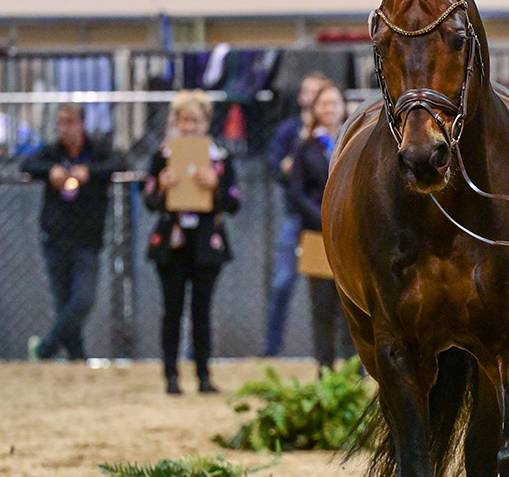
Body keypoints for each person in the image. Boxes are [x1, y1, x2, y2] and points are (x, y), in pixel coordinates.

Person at [142, 90, 241, 394]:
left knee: (202, 311)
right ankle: (170, 375)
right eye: (184, 120)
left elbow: (234, 202)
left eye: (195, 120)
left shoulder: (221, 157)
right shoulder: (162, 155)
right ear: (176, 122)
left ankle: (203, 375)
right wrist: (161, 185)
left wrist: (216, 187)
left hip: (206, 244)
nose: (190, 126)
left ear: (206, 123)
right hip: (171, 242)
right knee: (172, 310)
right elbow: (148, 199)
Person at [22, 103, 127, 361]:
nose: (64, 128)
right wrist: (51, 171)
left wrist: (88, 173)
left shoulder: (96, 151)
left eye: (70, 122)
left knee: (82, 299)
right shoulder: (52, 152)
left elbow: (121, 162)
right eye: (60, 123)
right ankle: (77, 358)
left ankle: (44, 349)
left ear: (81, 123)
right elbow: (26, 164)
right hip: (56, 236)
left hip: (87, 238)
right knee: (62, 301)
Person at [286, 84, 355, 373]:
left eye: (334, 103)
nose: (329, 109)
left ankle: (355, 369)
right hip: (317, 235)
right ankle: (325, 369)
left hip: (352, 236)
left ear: (343, 107)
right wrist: (325, 218)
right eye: (323, 104)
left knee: (353, 307)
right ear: (315, 109)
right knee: (322, 307)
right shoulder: (305, 148)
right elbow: (297, 193)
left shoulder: (355, 142)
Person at [263, 71, 331, 356]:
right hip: (298, 217)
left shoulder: (334, 135)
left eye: (319, 93)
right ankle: (272, 349)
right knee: (283, 283)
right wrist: (288, 168)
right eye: (308, 92)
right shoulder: (289, 131)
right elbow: (274, 166)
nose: (313, 98)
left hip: (328, 219)